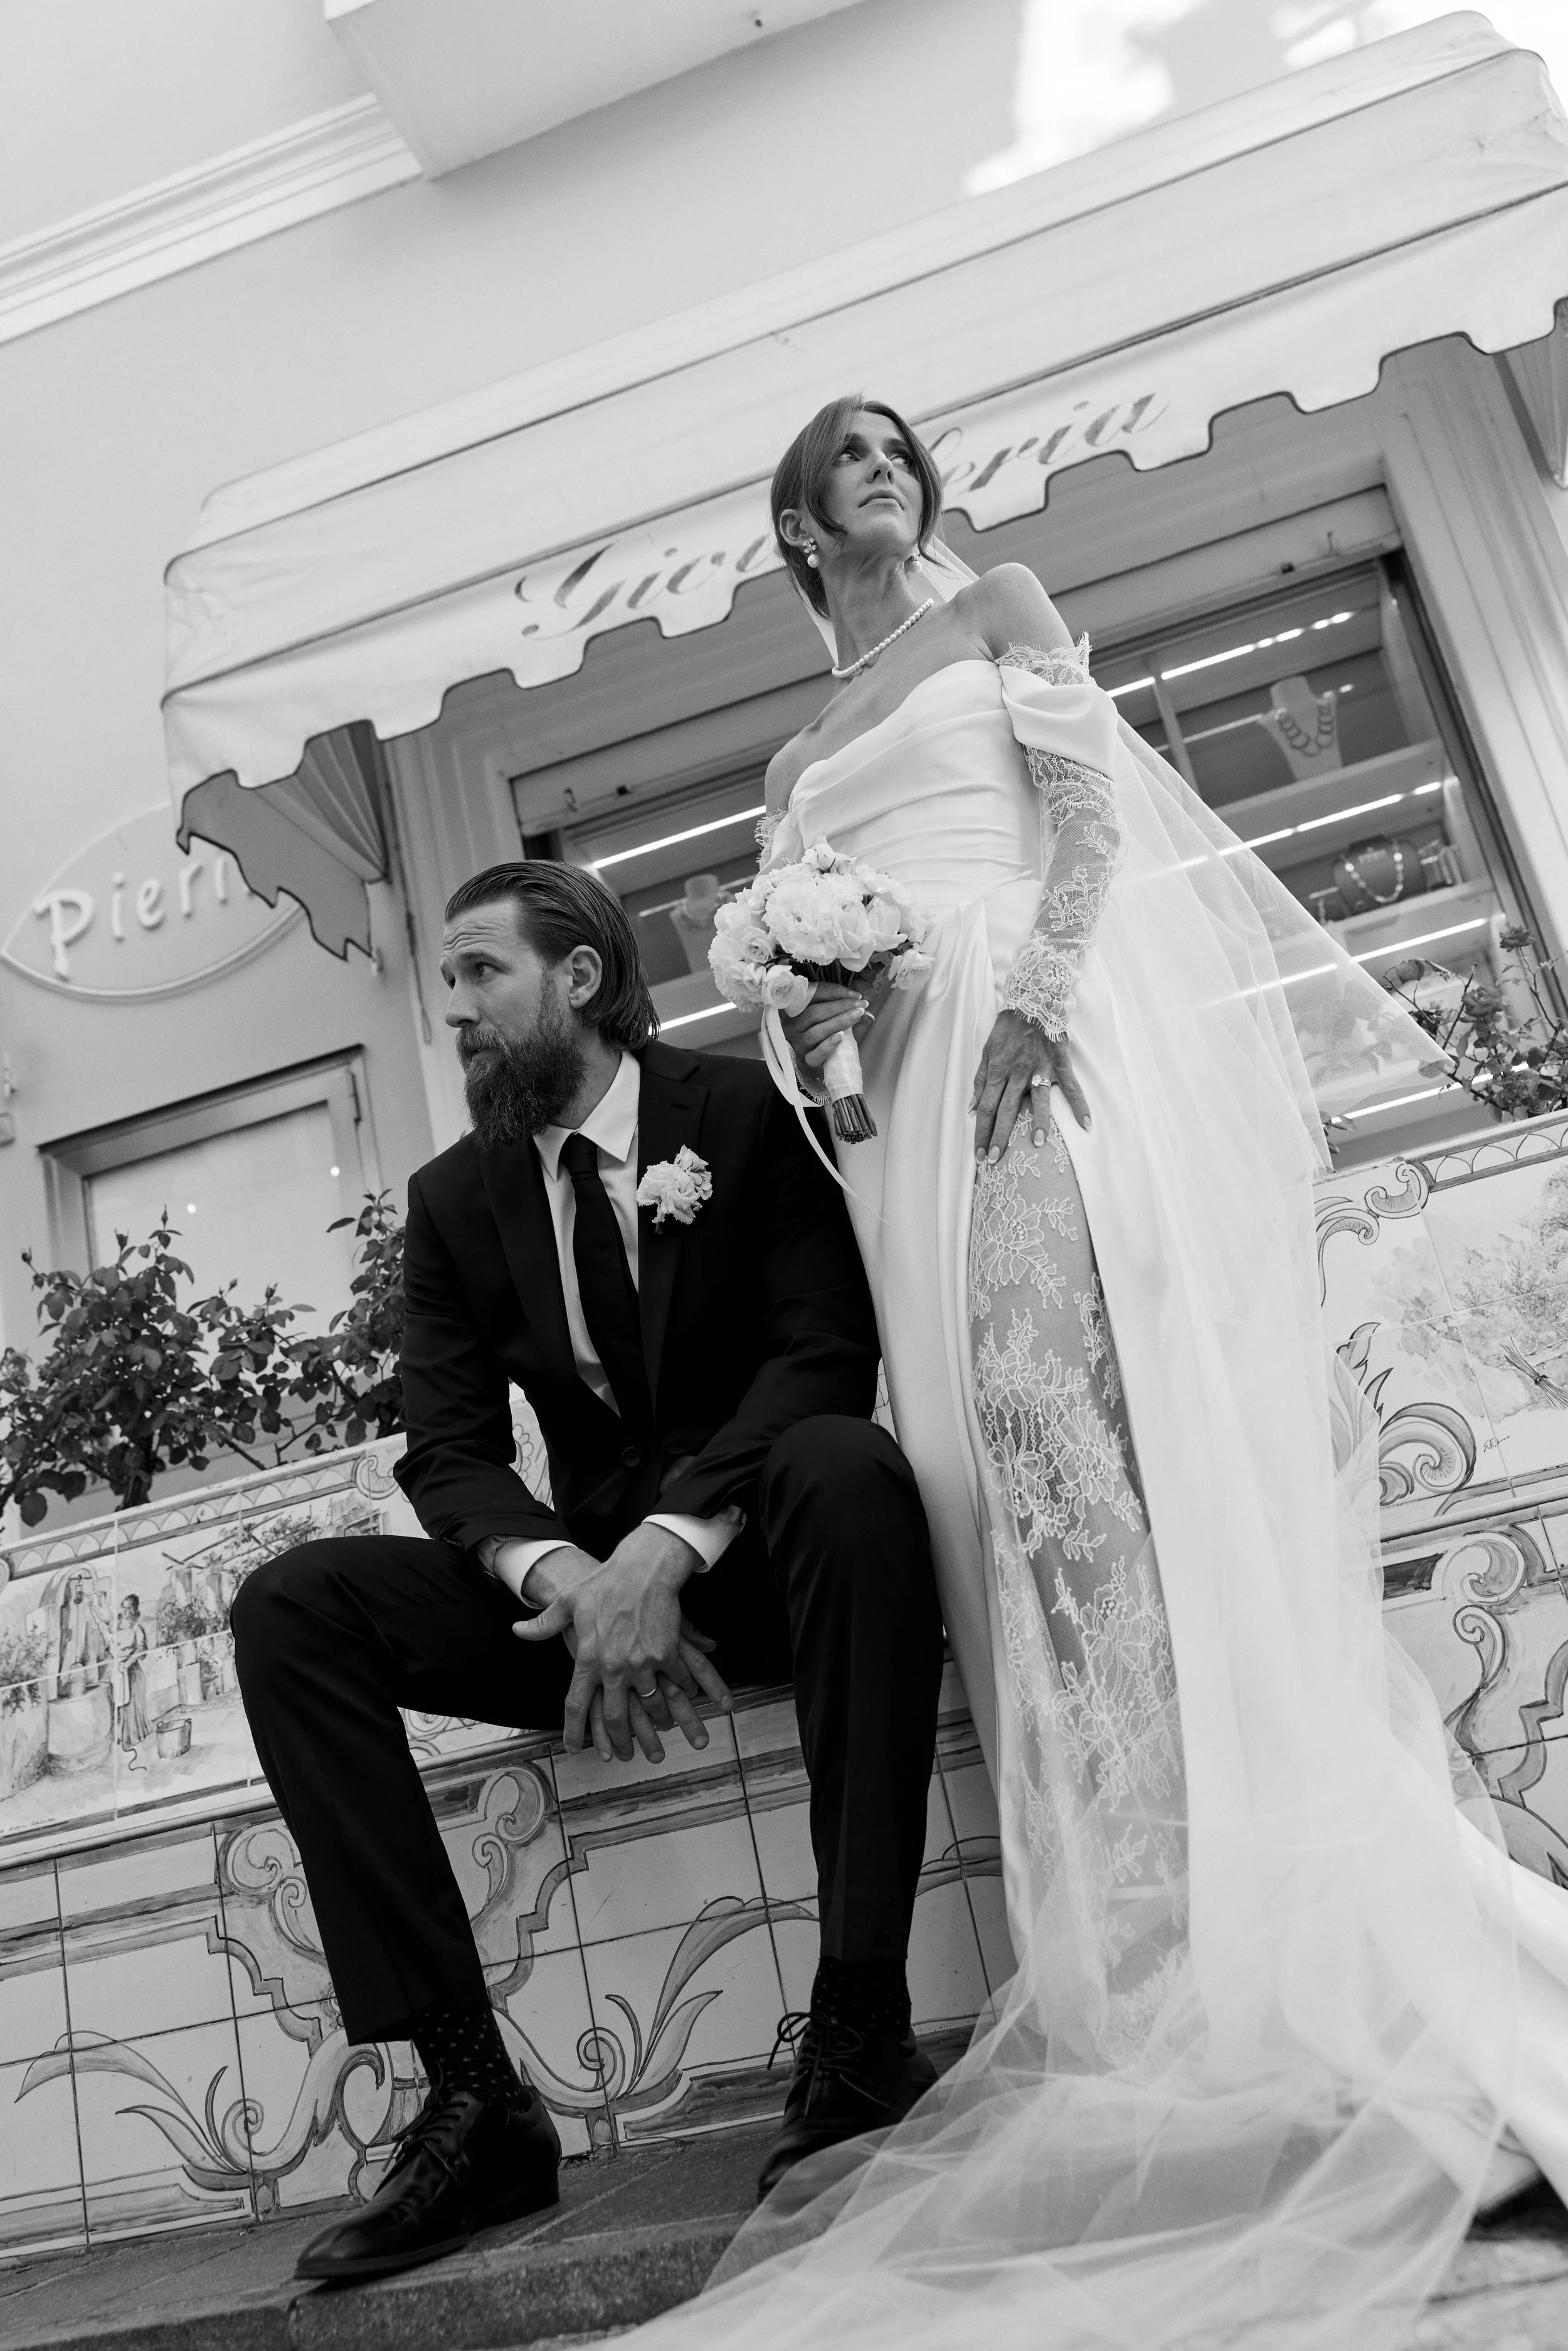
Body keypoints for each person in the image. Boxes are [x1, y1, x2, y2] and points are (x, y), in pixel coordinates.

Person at [614, 398, 1568, 2350]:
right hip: (892, 1125)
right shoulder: (793, 752)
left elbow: (1093, 819)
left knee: (1086, 1451)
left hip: (1028, 1053)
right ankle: (1133, 1941)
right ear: (795, 529)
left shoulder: (1000, 609)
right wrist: (805, 1025)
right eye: (843, 461)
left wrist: (1035, 999)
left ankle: (1246, 1914)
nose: (883, 468)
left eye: (894, 448)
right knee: (1004, 1496)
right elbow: (795, 1004)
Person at [231, 859, 945, 2283]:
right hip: (587, 1611)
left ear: (579, 977)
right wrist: (571, 1573)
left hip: (755, 1562)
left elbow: (821, 1351)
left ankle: (861, 2028)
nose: (456, 1011)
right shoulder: (455, 1199)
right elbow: (444, 1447)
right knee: (294, 1604)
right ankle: (476, 2101)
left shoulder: (745, 1114)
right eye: (445, 984)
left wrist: (665, 1550)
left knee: (849, 1468)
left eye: (480, 974)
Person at [114, 1593, 149, 1758]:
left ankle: (131, 1738)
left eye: (130, 1608)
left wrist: (127, 1664)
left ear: (135, 1610)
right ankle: (120, 1737)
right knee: (119, 1706)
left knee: (130, 1705)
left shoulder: (137, 1628)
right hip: (118, 1672)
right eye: (124, 1607)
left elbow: (141, 1649)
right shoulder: (117, 1627)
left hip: (132, 1672)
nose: (126, 1611)